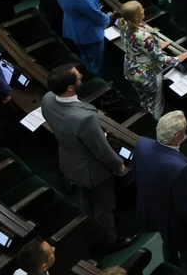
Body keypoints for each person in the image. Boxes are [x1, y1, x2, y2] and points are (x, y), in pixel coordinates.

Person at [41, 64, 135, 252]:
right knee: (104, 205)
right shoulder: (85, 118)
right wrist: (119, 167)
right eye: (78, 77)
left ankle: (90, 228)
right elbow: (101, 150)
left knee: (86, 199)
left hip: (70, 161)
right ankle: (109, 241)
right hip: (93, 170)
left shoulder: (48, 99)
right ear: (70, 88)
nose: (81, 77)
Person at [133, 110, 187, 271]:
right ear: (177, 136)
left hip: (152, 209)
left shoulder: (142, 144)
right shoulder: (181, 168)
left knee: (168, 243)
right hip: (176, 221)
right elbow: (186, 206)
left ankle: (171, 265)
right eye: (185, 128)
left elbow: (137, 175)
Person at [119, 1, 187, 118]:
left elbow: (135, 46)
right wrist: (178, 58)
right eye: (141, 9)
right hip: (147, 74)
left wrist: (155, 47)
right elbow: (160, 59)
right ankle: (154, 125)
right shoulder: (144, 36)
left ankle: (145, 118)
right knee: (155, 104)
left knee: (143, 99)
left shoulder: (123, 25)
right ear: (136, 16)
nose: (144, 10)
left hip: (130, 68)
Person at [54, 0, 109, 72]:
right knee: (95, 62)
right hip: (88, 31)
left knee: (85, 57)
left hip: (73, 26)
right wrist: (110, 18)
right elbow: (95, 15)